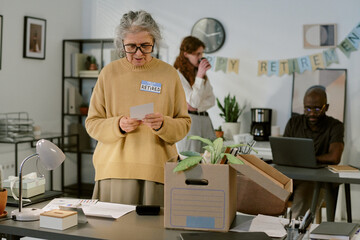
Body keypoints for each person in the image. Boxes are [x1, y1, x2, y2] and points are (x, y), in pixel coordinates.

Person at [85, 10, 191, 206]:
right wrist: (118, 125)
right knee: (111, 235)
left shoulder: (169, 75)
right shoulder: (109, 74)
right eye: (131, 47)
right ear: (121, 44)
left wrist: (163, 124)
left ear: (154, 42)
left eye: (145, 46)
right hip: (113, 170)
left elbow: (184, 123)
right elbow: (92, 124)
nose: (139, 53)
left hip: (156, 171)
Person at [283, 85, 344, 219]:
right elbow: (283, 150)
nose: (311, 113)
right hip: (292, 177)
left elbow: (334, 157)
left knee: (305, 195)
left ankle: (295, 231)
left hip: (316, 181)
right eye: (307, 108)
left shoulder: (335, 126)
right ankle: (270, 228)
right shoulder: (294, 122)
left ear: (326, 107)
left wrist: (307, 159)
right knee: (269, 189)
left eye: (317, 109)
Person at [174, 36, 216, 153]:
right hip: (190, 122)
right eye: (197, 54)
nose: (200, 58)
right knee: (191, 161)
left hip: (205, 121)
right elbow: (194, 102)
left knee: (210, 159)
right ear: (186, 54)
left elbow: (212, 100)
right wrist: (200, 77)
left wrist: (196, 108)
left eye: (201, 54)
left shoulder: (200, 74)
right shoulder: (178, 75)